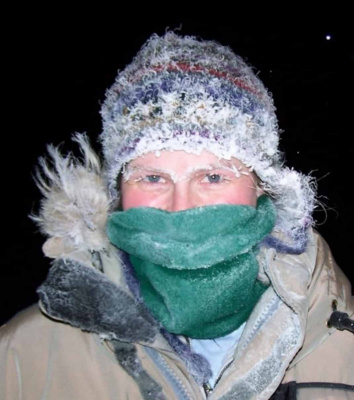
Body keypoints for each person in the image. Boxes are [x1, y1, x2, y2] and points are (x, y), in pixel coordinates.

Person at [1, 31, 353, 400]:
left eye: (213, 177)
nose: (181, 207)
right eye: (152, 178)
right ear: (117, 191)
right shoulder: (21, 358)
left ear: (262, 185)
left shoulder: (344, 347)